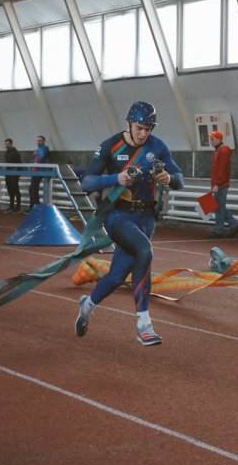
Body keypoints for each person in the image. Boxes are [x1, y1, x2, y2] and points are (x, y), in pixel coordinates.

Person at [74, 101, 184, 346]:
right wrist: (117, 178)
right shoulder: (111, 145)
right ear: (129, 123)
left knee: (116, 276)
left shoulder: (158, 147)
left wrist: (169, 178)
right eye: (139, 128)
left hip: (146, 219)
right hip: (118, 216)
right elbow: (86, 182)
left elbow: (180, 179)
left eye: (148, 129)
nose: (143, 133)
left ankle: (87, 305)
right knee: (144, 251)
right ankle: (144, 324)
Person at [207, 130, 238, 239]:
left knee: (218, 208)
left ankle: (219, 230)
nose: (211, 141)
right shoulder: (220, 150)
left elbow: (222, 169)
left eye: (212, 139)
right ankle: (234, 225)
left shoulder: (222, 151)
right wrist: (214, 185)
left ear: (219, 139)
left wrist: (217, 184)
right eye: (210, 139)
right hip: (220, 184)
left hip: (221, 185)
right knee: (219, 207)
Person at [28, 134, 50, 209]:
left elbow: (40, 158)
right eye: (37, 140)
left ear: (44, 141)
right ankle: (33, 206)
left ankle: (35, 206)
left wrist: (36, 153)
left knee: (33, 188)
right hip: (36, 171)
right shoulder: (38, 150)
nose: (38, 142)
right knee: (32, 189)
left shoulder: (43, 148)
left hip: (40, 171)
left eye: (40, 140)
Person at [3, 138, 22, 213]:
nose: (6, 145)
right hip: (8, 173)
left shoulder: (15, 153)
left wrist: (18, 174)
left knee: (16, 190)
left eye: (7, 144)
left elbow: (20, 164)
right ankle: (11, 206)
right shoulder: (6, 153)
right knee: (10, 190)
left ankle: (18, 207)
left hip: (14, 174)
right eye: (5, 144)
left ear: (11, 144)